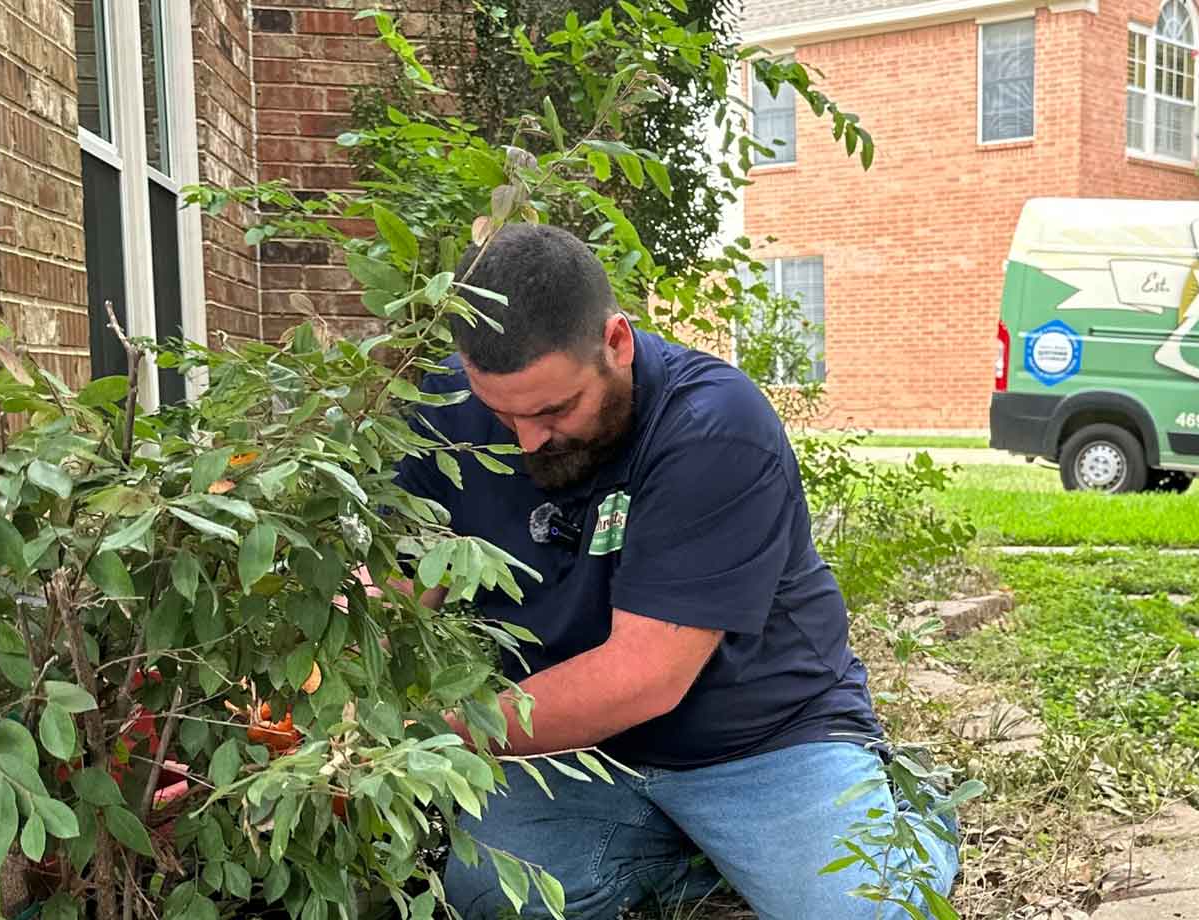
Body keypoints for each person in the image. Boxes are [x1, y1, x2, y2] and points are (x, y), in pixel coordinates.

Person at [391, 224, 959, 918]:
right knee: (487, 898)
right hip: (572, 748)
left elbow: (643, 677)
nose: (528, 439)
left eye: (554, 409)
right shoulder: (449, 404)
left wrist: (434, 731)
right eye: (501, 413)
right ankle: (682, 856)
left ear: (617, 343)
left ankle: (910, 813)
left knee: (869, 909)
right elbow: (398, 580)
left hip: (761, 741)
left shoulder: (714, 426)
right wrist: (325, 678)